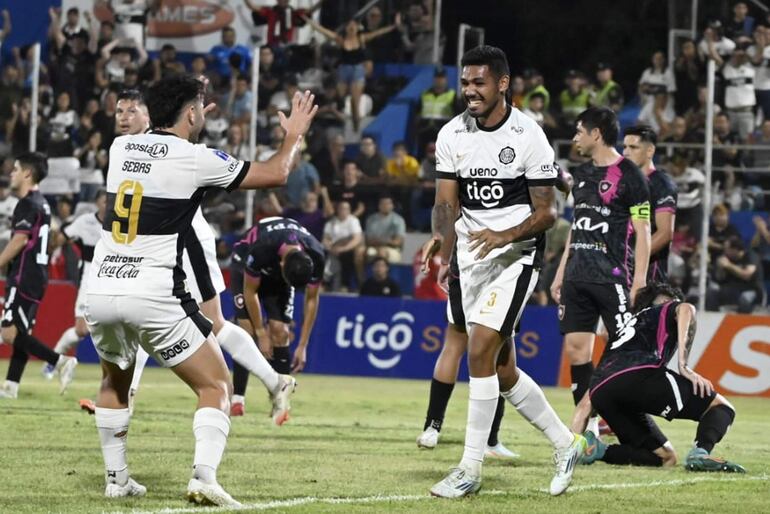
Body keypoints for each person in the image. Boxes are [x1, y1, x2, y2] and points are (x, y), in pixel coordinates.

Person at [83, 74, 316, 505]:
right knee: (216, 386)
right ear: (191, 113)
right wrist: (294, 135)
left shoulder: (120, 148)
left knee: (113, 383)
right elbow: (276, 173)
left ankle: (117, 480)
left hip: (101, 287)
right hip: (151, 293)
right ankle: (204, 477)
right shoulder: (195, 158)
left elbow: (161, 154)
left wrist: (188, 125)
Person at [422, 45, 584, 499]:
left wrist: (504, 235)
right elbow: (446, 203)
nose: (470, 91)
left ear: (502, 83)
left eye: (479, 82)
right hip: (471, 256)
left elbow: (547, 212)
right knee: (502, 368)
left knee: (477, 349)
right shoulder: (452, 133)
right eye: (465, 82)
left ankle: (469, 468)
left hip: (516, 257)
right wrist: (442, 244)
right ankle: (566, 443)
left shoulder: (529, 136)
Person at [550, 107, 651, 433]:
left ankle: (634, 423)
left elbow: (644, 231)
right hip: (577, 276)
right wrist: (561, 272)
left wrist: (639, 281)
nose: (575, 138)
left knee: (623, 351)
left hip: (612, 278)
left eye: (580, 131)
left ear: (596, 134)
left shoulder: (631, 175)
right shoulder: (580, 174)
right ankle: (590, 429)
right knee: (576, 350)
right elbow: (577, 227)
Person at [573, 282, 745, 473]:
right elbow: (687, 309)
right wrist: (683, 366)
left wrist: (570, 446)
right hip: (640, 374)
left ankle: (597, 450)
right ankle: (701, 452)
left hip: (601, 391)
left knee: (665, 458)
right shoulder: (663, 309)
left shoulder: (623, 332)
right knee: (722, 408)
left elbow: (586, 402)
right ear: (665, 301)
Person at [228, 217, 325, 416]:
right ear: (282, 264)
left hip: (278, 275)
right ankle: (237, 399)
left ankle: (280, 400)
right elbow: (250, 292)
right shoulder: (262, 249)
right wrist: (261, 332)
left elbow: (311, 299)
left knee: (280, 332)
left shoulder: (316, 254)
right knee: (246, 330)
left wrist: (303, 345)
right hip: (244, 265)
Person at [0, 153, 78, 400]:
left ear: (27, 173)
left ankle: (60, 361)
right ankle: (11, 386)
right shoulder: (42, 203)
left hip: (24, 274)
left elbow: (20, 240)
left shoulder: (26, 204)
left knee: (9, 333)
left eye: (15, 169)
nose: (11, 173)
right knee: (21, 332)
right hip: (37, 275)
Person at [44, 190, 108, 379]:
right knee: (81, 329)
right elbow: (61, 237)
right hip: (89, 274)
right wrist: (52, 240)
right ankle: (53, 361)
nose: (108, 204)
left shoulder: (119, 223)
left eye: (111, 201)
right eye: (104, 201)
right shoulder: (85, 221)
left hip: (112, 276)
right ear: (97, 203)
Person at [303, 12, 400, 131]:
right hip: (344, 70)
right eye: (349, 25)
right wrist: (309, 21)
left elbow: (378, 33)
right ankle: (339, 120)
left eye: (354, 25)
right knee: (340, 97)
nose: (351, 27)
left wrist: (393, 26)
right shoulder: (341, 39)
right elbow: (324, 31)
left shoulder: (361, 38)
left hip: (357, 70)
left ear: (357, 28)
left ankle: (356, 129)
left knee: (355, 102)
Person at [622, 126, 678, 283]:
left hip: (649, 275)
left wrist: (631, 259)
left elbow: (665, 233)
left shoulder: (661, 184)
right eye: (624, 147)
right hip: (619, 271)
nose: (626, 153)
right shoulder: (622, 183)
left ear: (649, 151)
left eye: (633, 147)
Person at [706, 235, 762, 313]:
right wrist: (720, 268)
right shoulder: (725, 257)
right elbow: (719, 278)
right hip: (730, 289)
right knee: (711, 294)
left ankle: (742, 320)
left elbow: (746, 275)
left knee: (744, 300)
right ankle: (713, 318)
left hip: (750, 289)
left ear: (735, 250)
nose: (724, 251)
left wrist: (729, 265)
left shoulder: (751, 256)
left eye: (727, 249)